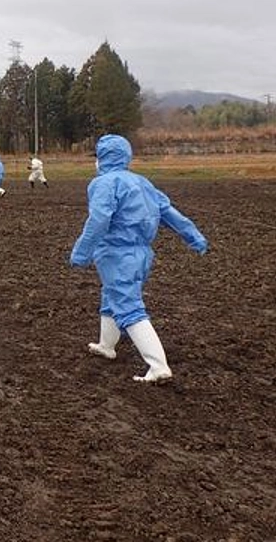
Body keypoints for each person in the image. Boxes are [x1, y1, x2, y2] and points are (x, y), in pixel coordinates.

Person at [69, 134, 208, 383]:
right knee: (111, 295)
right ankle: (106, 345)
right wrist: (194, 237)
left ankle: (158, 366)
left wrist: (81, 251)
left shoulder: (103, 183)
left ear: (102, 159)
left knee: (128, 305)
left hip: (116, 253)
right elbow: (169, 212)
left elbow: (99, 219)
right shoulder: (142, 182)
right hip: (141, 254)